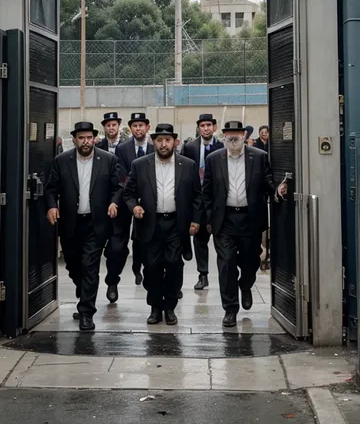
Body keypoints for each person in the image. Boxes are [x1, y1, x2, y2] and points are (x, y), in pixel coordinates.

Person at [203, 120, 287, 328]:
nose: (233, 137)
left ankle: (246, 285)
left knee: (250, 263)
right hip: (224, 221)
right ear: (224, 136)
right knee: (227, 264)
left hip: (250, 220)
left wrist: (277, 191)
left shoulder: (259, 157)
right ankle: (230, 309)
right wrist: (208, 219)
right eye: (229, 133)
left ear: (244, 135)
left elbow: (268, 184)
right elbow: (207, 192)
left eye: (236, 133)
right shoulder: (214, 159)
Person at [44, 121, 122, 331]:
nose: (86, 142)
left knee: (90, 266)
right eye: (81, 138)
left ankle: (87, 313)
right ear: (75, 139)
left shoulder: (108, 160)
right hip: (71, 223)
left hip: (96, 224)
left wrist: (114, 201)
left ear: (95, 138)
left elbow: (118, 187)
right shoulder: (62, 161)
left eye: (89, 138)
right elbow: (51, 188)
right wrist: (52, 206)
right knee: (73, 265)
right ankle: (83, 291)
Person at [123, 123, 201, 325]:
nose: (164, 144)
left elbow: (196, 196)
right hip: (150, 223)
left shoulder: (188, 165)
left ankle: (170, 307)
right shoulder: (140, 165)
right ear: (153, 141)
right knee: (152, 267)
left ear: (175, 142)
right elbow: (128, 193)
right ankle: (155, 306)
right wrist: (134, 208)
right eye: (159, 140)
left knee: (174, 265)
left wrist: (196, 220)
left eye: (167, 140)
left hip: (176, 224)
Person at [104, 112, 154, 303]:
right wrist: (128, 201)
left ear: (147, 127)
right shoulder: (123, 149)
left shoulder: (153, 147)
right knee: (117, 246)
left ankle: (147, 277)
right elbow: (121, 177)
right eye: (135, 126)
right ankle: (112, 282)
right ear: (130, 128)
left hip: (149, 204)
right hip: (125, 202)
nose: (138, 129)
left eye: (141, 125)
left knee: (146, 243)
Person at [181, 113, 224, 290]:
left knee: (221, 238)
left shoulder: (222, 147)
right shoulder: (190, 147)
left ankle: (225, 273)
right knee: (200, 240)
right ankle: (203, 274)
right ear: (198, 128)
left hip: (216, 199)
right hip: (197, 199)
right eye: (202, 125)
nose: (206, 128)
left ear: (214, 127)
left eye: (209, 125)